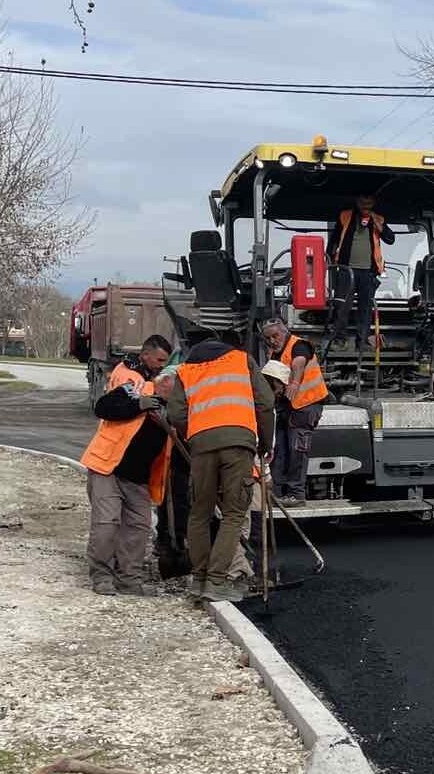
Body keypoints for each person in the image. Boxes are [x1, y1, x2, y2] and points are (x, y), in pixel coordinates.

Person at [166, 331, 275, 603]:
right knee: (234, 513)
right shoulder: (241, 360)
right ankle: (217, 581)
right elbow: (266, 402)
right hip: (238, 442)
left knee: (199, 513)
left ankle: (199, 579)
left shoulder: (185, 369)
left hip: (201, 445)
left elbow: (175, 414)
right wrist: (265, 442)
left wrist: (195, 435)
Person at [79, 335, 173, 596]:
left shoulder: (171, 407)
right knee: (107, 523)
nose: (163, 371)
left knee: (139, 527)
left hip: (138, 476)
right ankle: (102, 576)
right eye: (160, 362)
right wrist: (138, 405)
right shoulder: (134, 386)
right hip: (108, 466)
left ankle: (129, 579)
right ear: (145, 355)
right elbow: (104, 407)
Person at [260, 317, 328, 507]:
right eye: (269, 338)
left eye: (275, 335)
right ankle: (277, 492)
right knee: (279, 449)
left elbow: (298, 363)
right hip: (288, 408)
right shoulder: (275, 353)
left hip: (307, 406)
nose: (273, 340)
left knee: (297, 450)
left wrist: (295, 382)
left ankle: (296, 494)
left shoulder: (299, 345)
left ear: (284, 331)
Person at [327, 193, 395, 343]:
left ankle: (362, 341)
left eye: (369, 204)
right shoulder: (345, 216)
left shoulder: (379, 219)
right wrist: (329, 262)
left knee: (365, 309)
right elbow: (334, 241)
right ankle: (340, 339)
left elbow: (390, 239)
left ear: (373, 203)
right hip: (347, 271)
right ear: (357, 202)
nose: (366, 207)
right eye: (363, 203)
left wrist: (379, 225)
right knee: (342, 306)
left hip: (368, 272)